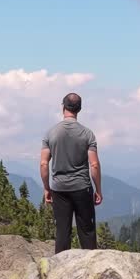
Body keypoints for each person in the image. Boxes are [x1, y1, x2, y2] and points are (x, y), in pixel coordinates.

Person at [40, 93, 103, 253]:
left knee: (62, 231)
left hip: (59, 189)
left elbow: (43, 163)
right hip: (82, 187)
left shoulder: (50, 133)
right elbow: (94, 165)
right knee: (87, 231)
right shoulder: (88, 134)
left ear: (63, 107)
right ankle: (91, 268)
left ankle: (59, 270)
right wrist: (98, 190)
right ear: (79, 109)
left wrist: (47, 188)